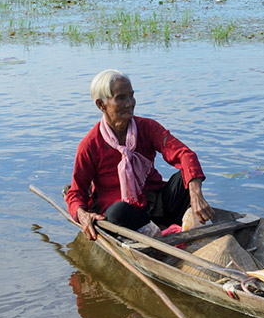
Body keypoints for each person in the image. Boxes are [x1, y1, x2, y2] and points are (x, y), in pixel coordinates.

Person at [66, 70, 213, 240]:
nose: (129, 103)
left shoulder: (147, 128)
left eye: (131, 96)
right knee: (117, 212)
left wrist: (196, 195)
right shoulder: (90, 145)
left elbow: (185, 155)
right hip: (124, 214)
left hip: (154, 204)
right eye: (121, 98)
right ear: (101, 105)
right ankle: (158, 235)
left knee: (184, 178)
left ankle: (161, 228)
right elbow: (76, 193)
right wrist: (82, 214)